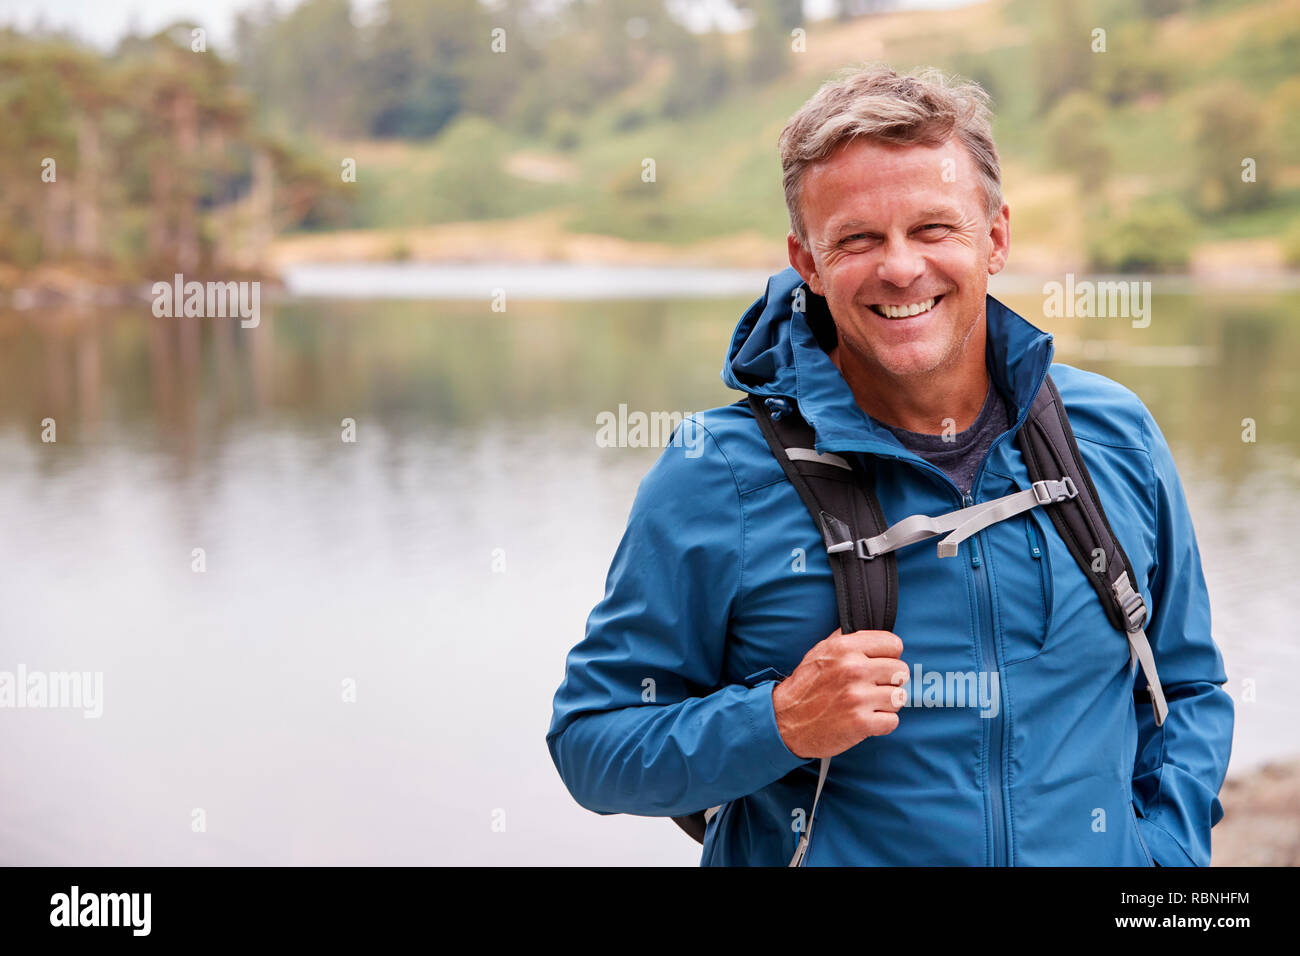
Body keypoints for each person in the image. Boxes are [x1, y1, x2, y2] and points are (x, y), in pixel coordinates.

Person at [546, 64, 1234, 866]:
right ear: (807, 261)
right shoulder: (716, 473)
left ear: (997, 237)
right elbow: (593, 744)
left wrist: (1162, 857)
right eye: (858, 239)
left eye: (934, 228)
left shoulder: (1112, 433)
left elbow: (1185, 688)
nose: (901, 268)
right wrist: (779, 723)